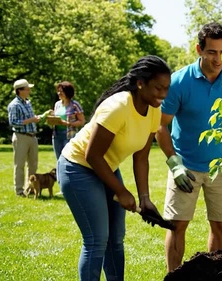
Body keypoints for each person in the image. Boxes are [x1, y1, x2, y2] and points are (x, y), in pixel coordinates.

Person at [56, 55, 171, 280]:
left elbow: (142, 157)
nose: (163, 95)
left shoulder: (154, 109)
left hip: (106, 167)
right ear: (140, 83)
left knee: (115, 239)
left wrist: (144, 197)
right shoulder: (118, 107)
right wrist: (121, 191)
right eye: (158, 88)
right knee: (97, 239)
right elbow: (93, 154)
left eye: (166, 88)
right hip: (78, 167)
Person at [156, 22, 222, 272]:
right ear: (199, 49)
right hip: (185, 166)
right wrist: (174, 163)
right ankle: (172, 277)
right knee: (177, 225)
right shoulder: (178, 82)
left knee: (220, 226)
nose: (218, 58)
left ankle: (215, 278)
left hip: (221, 166)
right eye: (211, 52)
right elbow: (160, 126)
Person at [7, 79, 41, 197]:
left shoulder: (27, 102)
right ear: (20, 91)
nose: (29, 90)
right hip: (21, 137)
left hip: (32, 136)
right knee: (20, 165)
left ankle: (30, 188)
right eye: (27, 89)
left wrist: (36, 118)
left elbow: (30, 119)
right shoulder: (14, 105)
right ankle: (19, 191)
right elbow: (13, 122)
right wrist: (31, 120)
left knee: (33, 164)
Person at [51, 81, 85, 160]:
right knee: (58, 159)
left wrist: (68, 123)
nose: (59, 93)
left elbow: (82, 121)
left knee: (67, 158)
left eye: (61, 91)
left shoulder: (74, 105)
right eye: (58, 91)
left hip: (69, 135)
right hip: (56, 135)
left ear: (68, 92)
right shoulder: (57, 104)